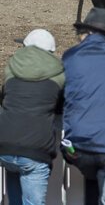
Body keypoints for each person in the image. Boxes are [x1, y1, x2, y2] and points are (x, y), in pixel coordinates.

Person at [0, 28, 63, 205]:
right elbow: (61, 110)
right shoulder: (59, 75)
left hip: (5, 146)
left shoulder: (10, 72)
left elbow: (5, 102)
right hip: (35, 150)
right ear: (50, 52)